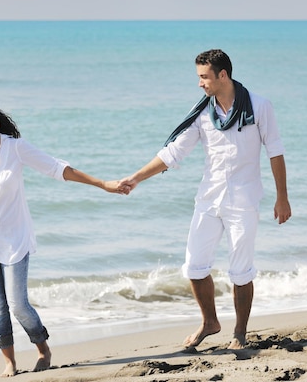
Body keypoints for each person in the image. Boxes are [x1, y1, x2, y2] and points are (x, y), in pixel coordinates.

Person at [118, 49, 291, 350]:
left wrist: (282, 198)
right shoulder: (203, 113)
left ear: (222, 75)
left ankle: (240, 332)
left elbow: (275, 151)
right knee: (194, 266)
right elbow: (173, 153)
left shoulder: (260, 107)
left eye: (204, 77)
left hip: (244, 200)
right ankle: (210, 322)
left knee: (240, 270)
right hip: (209, 199)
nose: (200, 83)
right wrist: (135, 178)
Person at [0, 98, 125, 377]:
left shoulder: (15, 148)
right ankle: (9, 362)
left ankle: (43, 349)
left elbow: (57, 168)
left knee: (18, 305)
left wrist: (102, 184)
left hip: (14, 238)